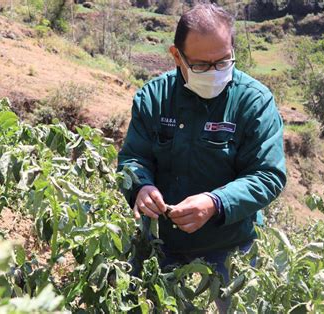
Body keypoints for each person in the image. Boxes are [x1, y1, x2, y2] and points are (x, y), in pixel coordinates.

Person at [117, 3, 287, 312]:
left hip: (229, 250)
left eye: (223, 62)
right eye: (201, 66)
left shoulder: (254, 102)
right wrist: (140, 187)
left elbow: (268, 175)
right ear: (176, 56)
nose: (214, 73)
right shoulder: (153, 98)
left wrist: (215, 202)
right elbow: (133, 158)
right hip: (161, 248)